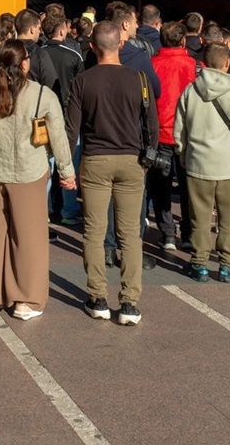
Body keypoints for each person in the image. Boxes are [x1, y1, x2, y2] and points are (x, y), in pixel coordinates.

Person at [0, 39, 75, 319]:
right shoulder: (41, 94)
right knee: (29, 236)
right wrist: (67, 171)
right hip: (28, 171)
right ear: (25, 63)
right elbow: (58, 137)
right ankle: (26, 299)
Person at [65, 22, 155, 325]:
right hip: (131, 159)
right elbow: (151, 124)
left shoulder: (82, 81)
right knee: (130, 234)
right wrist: (148, 157)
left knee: (94, 231)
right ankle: (129, 302)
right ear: (121, 44)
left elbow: (72, 129)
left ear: (92, 47)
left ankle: (98, 297)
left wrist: (66, 166)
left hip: (95, 159)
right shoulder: (139, 78)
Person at [174, 44, 230, 283]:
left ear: (203, 63)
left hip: (198, 163)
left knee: (199, 217)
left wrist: (183, 153)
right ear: (227, 64)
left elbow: (179, 130)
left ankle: (199, 263)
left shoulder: (190, 91)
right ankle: (226, 264)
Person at [149, 21, 197, 251]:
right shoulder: (193, 65)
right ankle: (188, 233)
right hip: (188, 133)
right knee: (189, 187)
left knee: (161, 187)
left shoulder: (152, 64)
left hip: (161, 132)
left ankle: (167, 232)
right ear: (183, 40)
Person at [43, 13, 85, 224]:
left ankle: (45, 210)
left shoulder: (37, 54)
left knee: (46, 165)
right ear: (62, 30)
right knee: (69, 163)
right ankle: (69, 210)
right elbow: (81, 88)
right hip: (69, 116)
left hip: (42, 116)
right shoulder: (74, 55)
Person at [14, 9, 59, 88]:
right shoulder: (40, 54)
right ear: (32, 29)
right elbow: (51, 84)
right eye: (39, 28)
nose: (40, 32)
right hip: (33, 95)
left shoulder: (3, 51)